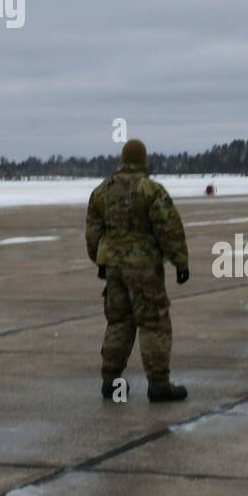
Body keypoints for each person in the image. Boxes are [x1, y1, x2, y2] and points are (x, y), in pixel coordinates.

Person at [86, 139, 190, 402]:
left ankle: (111, 382)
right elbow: (169, 228)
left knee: (119, 322)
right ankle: (158, 384)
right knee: (154, 323)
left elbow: (93, 232)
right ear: (143, 160)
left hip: (115, 269)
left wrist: (101, 262)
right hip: (144, 269)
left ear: (122, 159)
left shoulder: (102, 191)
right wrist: (180, 262)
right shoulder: (151, 190)